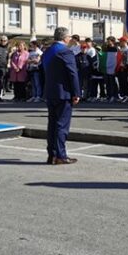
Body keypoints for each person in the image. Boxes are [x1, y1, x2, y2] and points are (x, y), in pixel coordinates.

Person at [42, 27, 81, 165]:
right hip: (63, 93)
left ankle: (51, 155)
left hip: (50, 92)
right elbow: (73, 73)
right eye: (69, 37)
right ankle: (60, 155)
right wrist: (76, 93)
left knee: (52, 124)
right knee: (62, 125)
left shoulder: (47, 52)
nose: (70, 39)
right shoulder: (65, 51)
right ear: (65, 38)